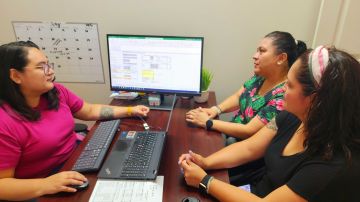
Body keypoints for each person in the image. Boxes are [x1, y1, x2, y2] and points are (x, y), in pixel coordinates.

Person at [179, 46, 360, 201]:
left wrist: (204, 181)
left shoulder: (333, 165)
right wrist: (205, 162)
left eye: (289, 85)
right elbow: (249, 148)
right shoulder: (293, 116)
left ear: (313, 100)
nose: (282, 90)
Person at [0, 41, 150, 201]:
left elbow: (89, 110)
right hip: (42, 185)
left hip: (77, 159)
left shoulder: (55, 92)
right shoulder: (4, 122)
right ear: (16, 76)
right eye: (41, 67)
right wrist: (45, 184)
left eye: (48, 64)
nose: (50, 71)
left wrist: (130, 110)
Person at [186, 31, 307, 145]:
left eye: (262, 51)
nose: (254, 56)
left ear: (281, 58)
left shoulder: (283, 95)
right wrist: (215, 110)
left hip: (244, 150)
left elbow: (249, 130)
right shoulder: (261, 76)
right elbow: (239, 96)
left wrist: (208, 122)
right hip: (230, 137)